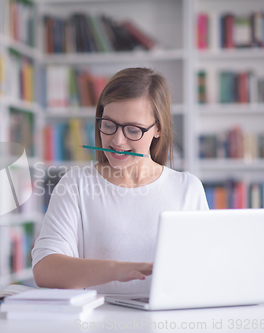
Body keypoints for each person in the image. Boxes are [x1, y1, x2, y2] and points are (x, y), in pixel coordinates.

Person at [31, 67, 209, 294]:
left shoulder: (187, 189)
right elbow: (45, 270)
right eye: (108, 124)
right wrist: (117, 270)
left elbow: (203, 271)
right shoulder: (75, 185)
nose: (117, 140)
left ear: (158, 130)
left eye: (133, 129)